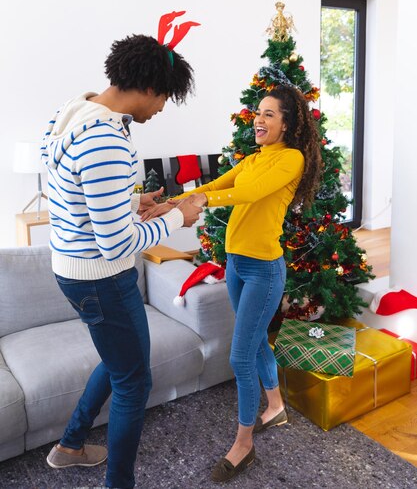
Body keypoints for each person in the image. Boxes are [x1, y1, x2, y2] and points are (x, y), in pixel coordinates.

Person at [41, 28, 203, 489]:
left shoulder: (73, 112)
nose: (162, 108)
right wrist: (179, 218)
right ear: (149, 87)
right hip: (102, 278)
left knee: (121, 362)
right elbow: (115, 245)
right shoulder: (107, 140)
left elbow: (80, 200)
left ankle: (71, 444)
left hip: (73, 269)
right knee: (134, 382)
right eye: (165, 98)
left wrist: (134, 204)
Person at [142, 84, 322, 482]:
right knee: (254, 342)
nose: (259, 119)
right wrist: (171, 203)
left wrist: (202, 204)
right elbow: (220, 184)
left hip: (264, 270)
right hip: (238, 265)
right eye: (259, 112)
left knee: (240, 357)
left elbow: (248, 193)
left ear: (287, 123)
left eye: (270, 114)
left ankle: (244, 446)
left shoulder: (289, 159)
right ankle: (275, 406)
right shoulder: (256, 158)